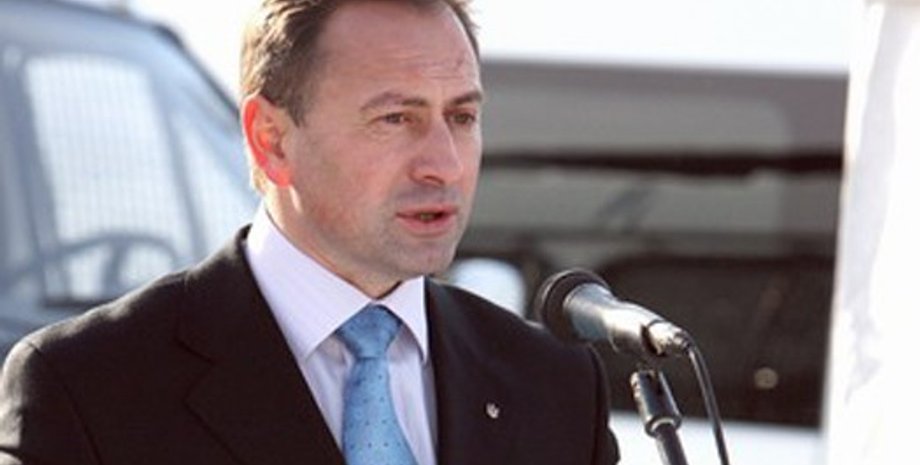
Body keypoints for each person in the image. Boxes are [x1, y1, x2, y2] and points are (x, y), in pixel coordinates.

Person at [0, 0, 619, 463]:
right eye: (395, 118)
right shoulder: (87, 388)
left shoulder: (556, 385)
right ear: (271, 139)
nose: (445, 164)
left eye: (461, 116)